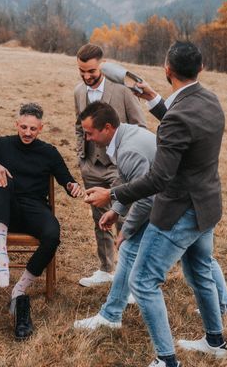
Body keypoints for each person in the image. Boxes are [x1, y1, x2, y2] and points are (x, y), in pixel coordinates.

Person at [85, 41, 227, 367]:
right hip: (207, 204)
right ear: (201, 69)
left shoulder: (179, 117)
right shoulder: (209, 100)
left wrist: (112, 194)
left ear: (167, 70)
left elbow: (158, 179)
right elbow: (183, 125)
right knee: (200, 272)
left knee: (143, 281)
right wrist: (153, 100)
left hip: (180, 210)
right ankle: (215, 341)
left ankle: (166, 360)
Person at [73, 102, 227, 334]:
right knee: (201, 258)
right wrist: (116, 210)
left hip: (172, 204)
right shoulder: (127, 133)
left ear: (107, 128)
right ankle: (226, 308)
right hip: (194, 200)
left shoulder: (129, 150)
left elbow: (146, 198)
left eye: (89, 133)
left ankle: (111, 314)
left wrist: (126, 230)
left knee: (130, 251)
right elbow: (129, 180)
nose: (87, 138)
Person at [0, 103, 83, 340]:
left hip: (35, 208)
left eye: (33, 128)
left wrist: (73, 186)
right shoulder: (1, 144)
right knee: (3, 181)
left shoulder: (49, 151)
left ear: (40, 129)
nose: (27, 132)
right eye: (23, 127)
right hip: (7, 209)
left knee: (53, 234)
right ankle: (2, 252)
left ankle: (20, 287)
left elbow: (67, 179)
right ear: (17, 125)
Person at [73, 43, 146, 288]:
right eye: (81, 71)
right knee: (99, 218)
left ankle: (130, 274)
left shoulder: (122, 91)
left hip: (119, 167)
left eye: (91, 71)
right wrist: (81, 157)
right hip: (91, 166)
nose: (86, 76)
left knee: (124, 216)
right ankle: (106, 268)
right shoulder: (78, 92)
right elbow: (78, 126)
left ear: (102, 66)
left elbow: (139, 126)